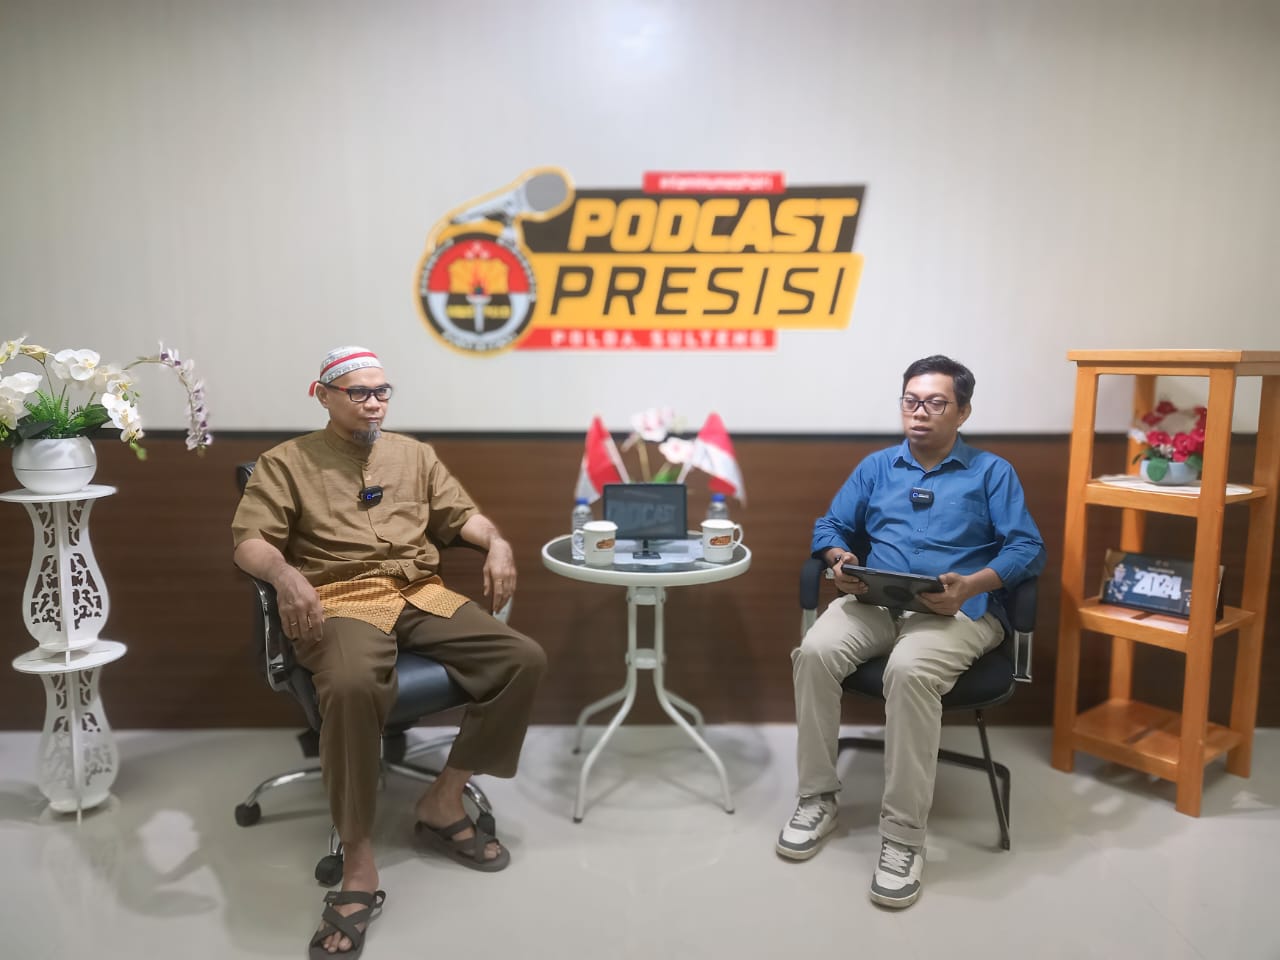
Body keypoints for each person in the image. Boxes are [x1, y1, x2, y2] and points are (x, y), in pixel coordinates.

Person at [232, 346, 546, 958]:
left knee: (522, 658)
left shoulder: (414, 455)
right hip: (340, 599)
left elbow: (462, 517)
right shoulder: (285, 462)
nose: (374, 402)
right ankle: (358, 863)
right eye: (358, 392)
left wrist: (499, 544)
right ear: (323, 395)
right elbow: (250, 542)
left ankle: (443, 799)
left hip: (418, 593)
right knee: (352, 685)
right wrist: (286, 576)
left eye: (382, 391)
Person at [776, 355, 1045, 909]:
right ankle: (817, 797)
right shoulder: (877, 467)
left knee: (908, 669)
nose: (919, 412)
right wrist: (840, 560)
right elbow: (830, 525)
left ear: (963, 411)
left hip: (957, 609)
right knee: (815, 651)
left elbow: (1027, 547)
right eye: (911, 401)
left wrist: (971, 586)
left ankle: (902, 837)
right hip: (877, 601)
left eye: (936, 403)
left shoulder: (991, 472)